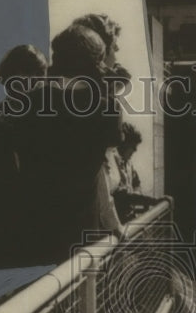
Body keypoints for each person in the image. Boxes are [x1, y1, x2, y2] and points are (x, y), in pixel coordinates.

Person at [8, 26, 124, 265]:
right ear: (96, 62)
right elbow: (103, 164)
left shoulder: (27, 102)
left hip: (33, 232)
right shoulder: (107, 109)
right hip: (83, 234)